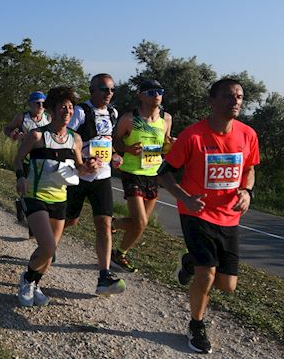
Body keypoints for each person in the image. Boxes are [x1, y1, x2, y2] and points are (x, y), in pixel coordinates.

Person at [157, 77, 259, 354]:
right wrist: (185, 199)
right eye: (228, 96)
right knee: (207, 275)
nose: (235, 101)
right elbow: (164, 173)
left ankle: (189, 262)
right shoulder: (193, 136)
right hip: (196, 213)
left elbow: (250, 168)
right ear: (211, 101)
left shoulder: (248, 134)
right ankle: (196, 325)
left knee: (228, 285)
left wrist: (247, 192)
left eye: (238, 96)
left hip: (229, 217)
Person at [14, 86, 94, 306]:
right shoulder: (37, 135)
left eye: (70, 107)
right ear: (51, 110)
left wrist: (89, 167)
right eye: (62, 107)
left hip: (60, 199)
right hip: (35, 195)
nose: (67, 111)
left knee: (49, 252)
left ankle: (34, 283)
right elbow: (18, 159)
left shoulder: (75, 139)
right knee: (48, 247)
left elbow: (79, 168)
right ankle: (26, 280)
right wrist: (20, 177)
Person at [65, 74, 125, 296]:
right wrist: (81, 161)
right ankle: (47, 247)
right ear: (92, 90)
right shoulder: (81, 111)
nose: (108, 94)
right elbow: (67, 138)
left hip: (102, 176)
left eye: (111, 90)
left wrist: (116, 155)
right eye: (103, 89)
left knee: (104, 224)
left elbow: (109, 142)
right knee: (69, 220)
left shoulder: (112, 113)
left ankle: (104, 276)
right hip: (79, 176)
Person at [110, 79, 173, 272]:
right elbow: (114, 142)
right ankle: (111, 228)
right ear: (141, 96)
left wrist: (171, 145)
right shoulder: (130, 118)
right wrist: (127, 148)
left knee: (140, 225)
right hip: (131, 172)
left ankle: (119, 250)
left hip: (152, 173)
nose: (157, 95)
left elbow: (165, 147)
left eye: (160, 91)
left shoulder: (166, 118)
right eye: (151, 92)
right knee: (141, 221)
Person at [7, 91, 50, 225]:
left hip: (41, 159)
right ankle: (23, 204)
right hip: (24, 157)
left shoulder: (48, 118)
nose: (41, 106)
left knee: (37, 188)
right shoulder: (22, 117)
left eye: (43, 103)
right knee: (24, 186)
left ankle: (28, 208)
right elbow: (7, 129)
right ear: (30, 104)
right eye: (38, 103)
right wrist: (14, 135)